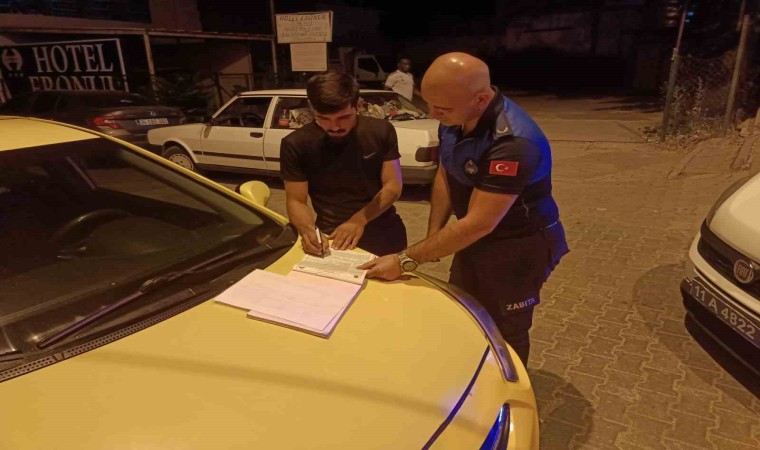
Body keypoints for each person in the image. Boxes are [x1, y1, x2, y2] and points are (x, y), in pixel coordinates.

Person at [360, 52, 569, 366]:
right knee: (465, 311)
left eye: (442, 109)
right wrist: (434, 235)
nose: (433, 113)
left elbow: (479, 223)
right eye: (429, 103)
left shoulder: (512, 143)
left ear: (481, 99)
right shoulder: (456, 118)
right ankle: (469, 376)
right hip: (475, 238)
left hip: (520, 245)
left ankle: (512, 390)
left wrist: (405, 260)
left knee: (505, 330)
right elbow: (447, 173)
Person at [281, 70, 407, 257]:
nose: (334, 126)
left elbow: (393, 186)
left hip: (383, 228)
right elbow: (296, 200)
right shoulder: (296, 143)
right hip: (332, 234)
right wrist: (308, 230)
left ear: (359, 105)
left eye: (344, 117)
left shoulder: (381, 131)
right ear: (311, 107)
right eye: (323, 118)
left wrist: (358, 220)